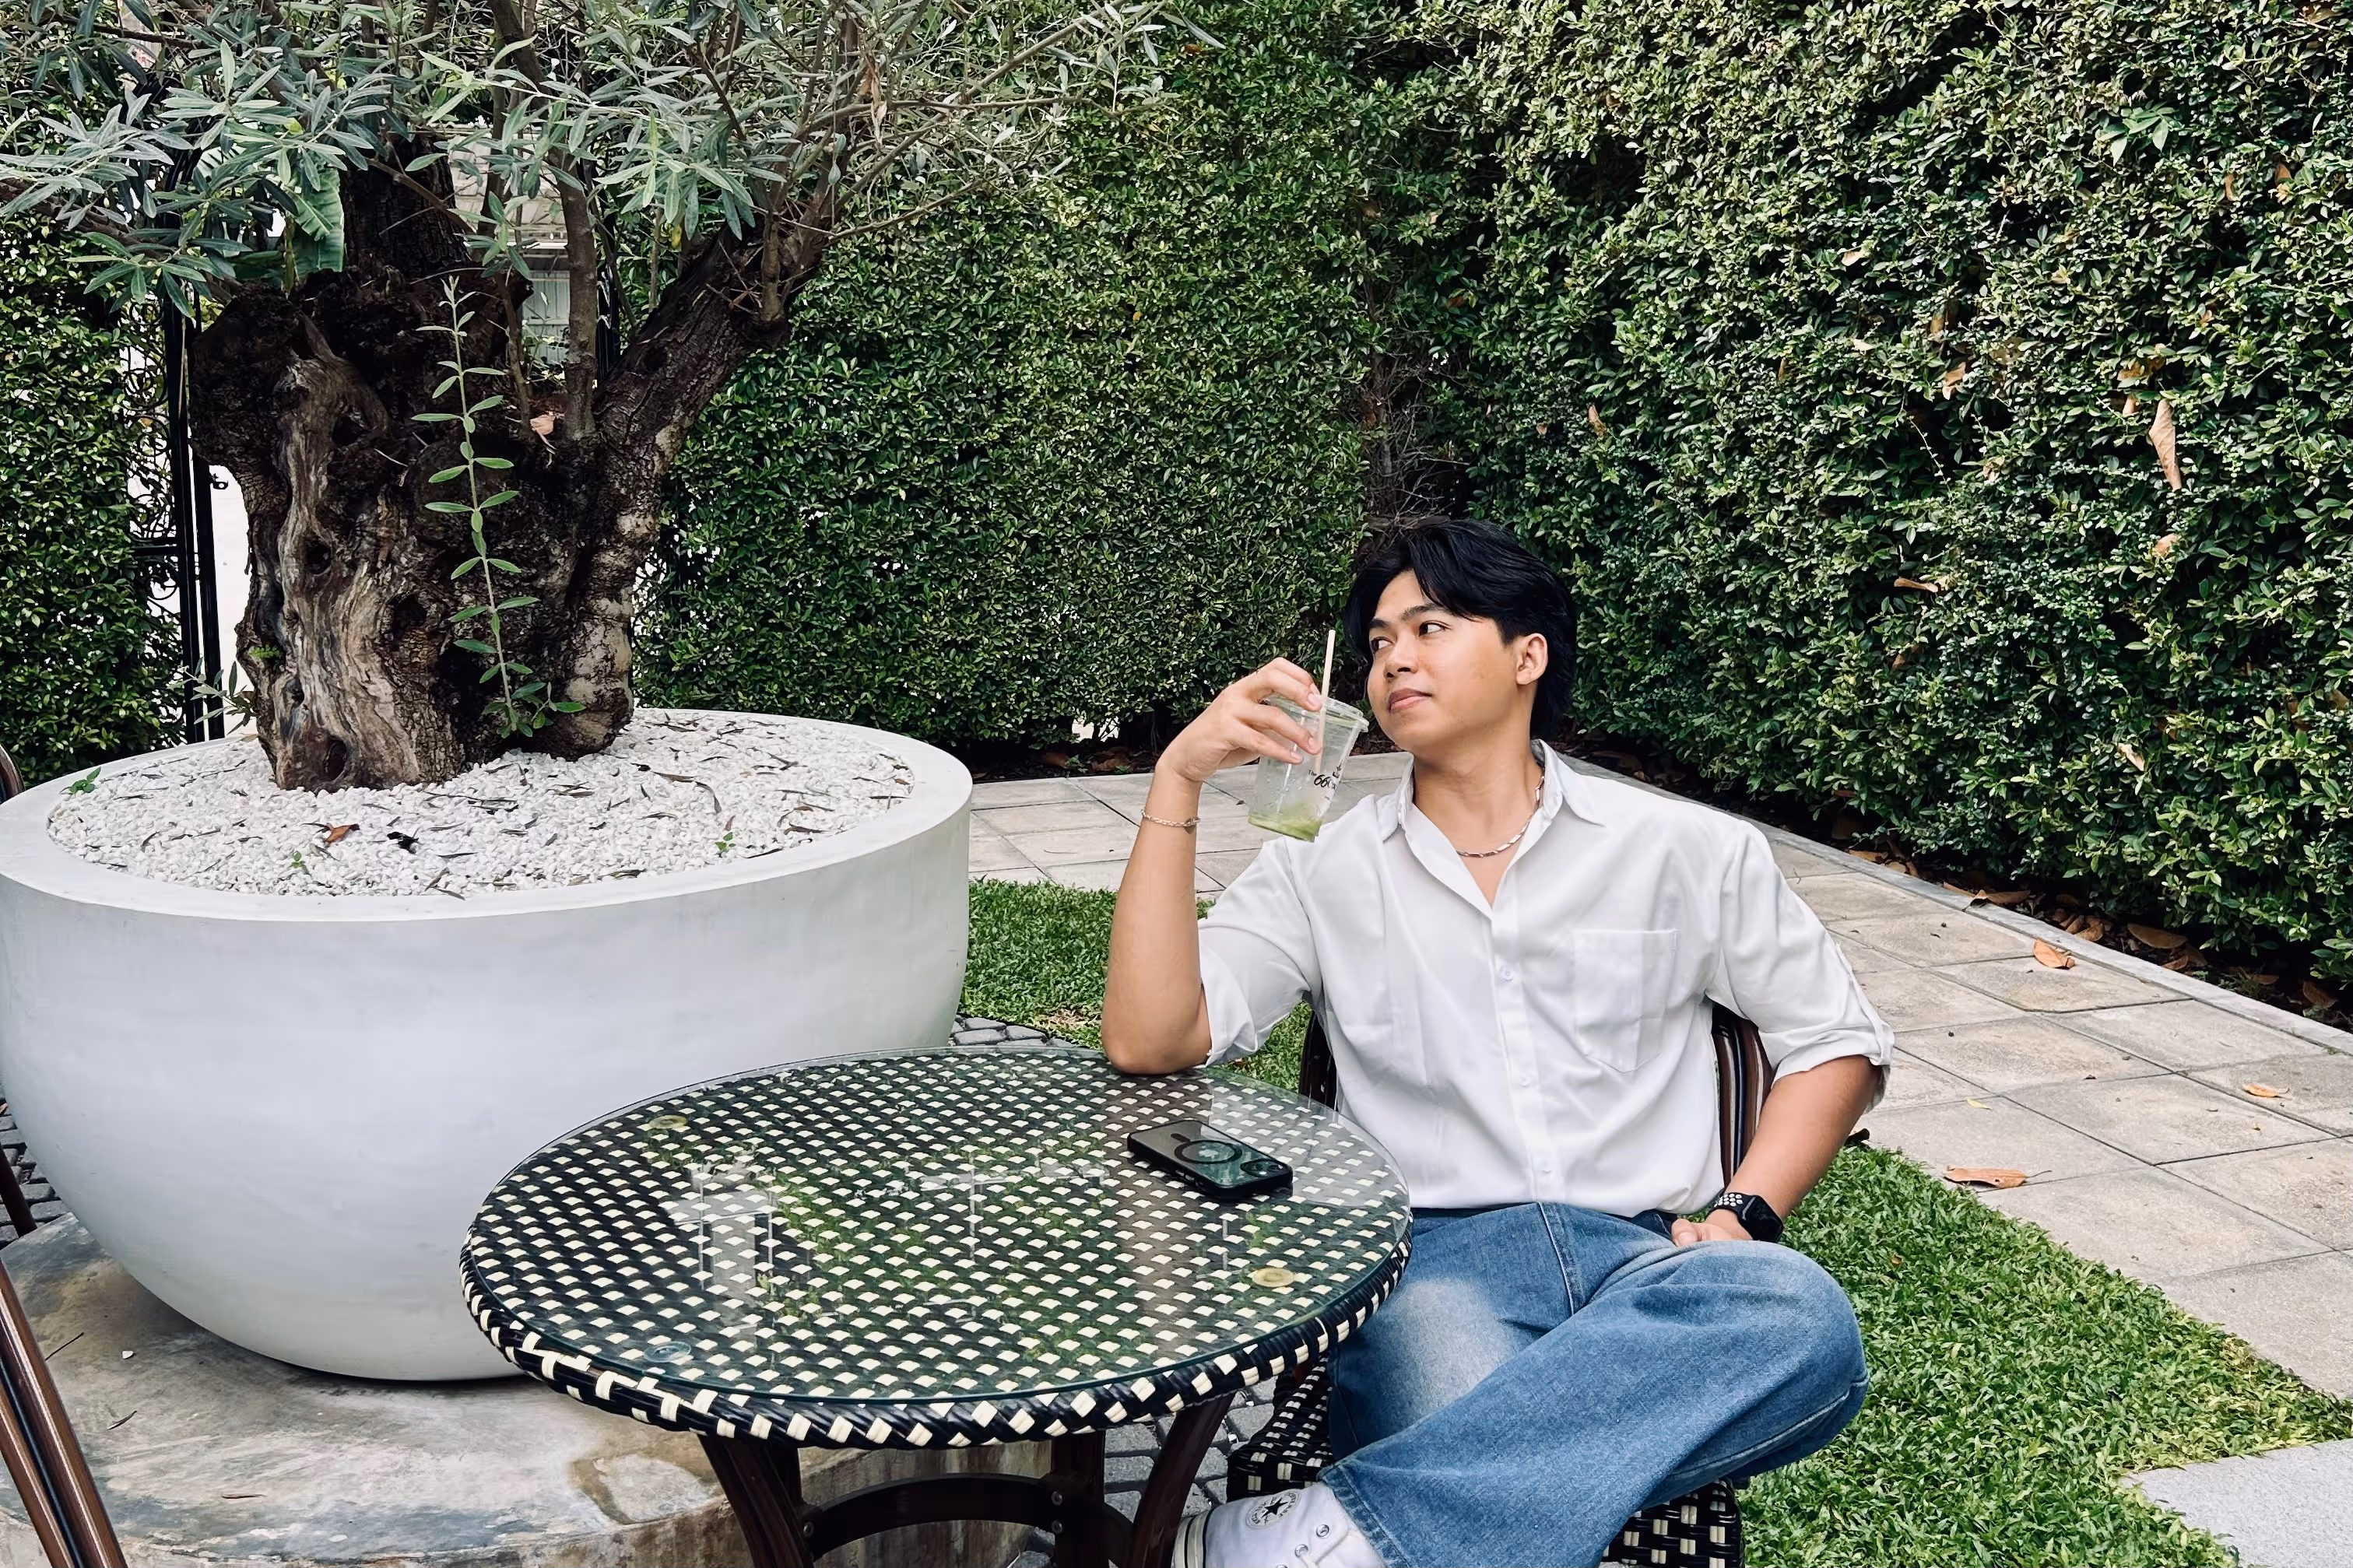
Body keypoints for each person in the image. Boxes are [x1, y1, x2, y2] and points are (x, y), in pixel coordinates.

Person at [1101, 517, 1894, 1568]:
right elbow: (1152, 1039)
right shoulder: (1322, 867)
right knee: (1469, 1412)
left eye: (1431, 626)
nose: (1394, 659)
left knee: (1802, 1322)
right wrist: (1177, 779)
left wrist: (1743, 1213)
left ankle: (1330, 1531)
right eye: (1379, 642)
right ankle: (1408, 1522)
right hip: (1435, 1265)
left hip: (1648, 1262)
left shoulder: (1683, 849)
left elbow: (1834, 1039)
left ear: (1529, 656)